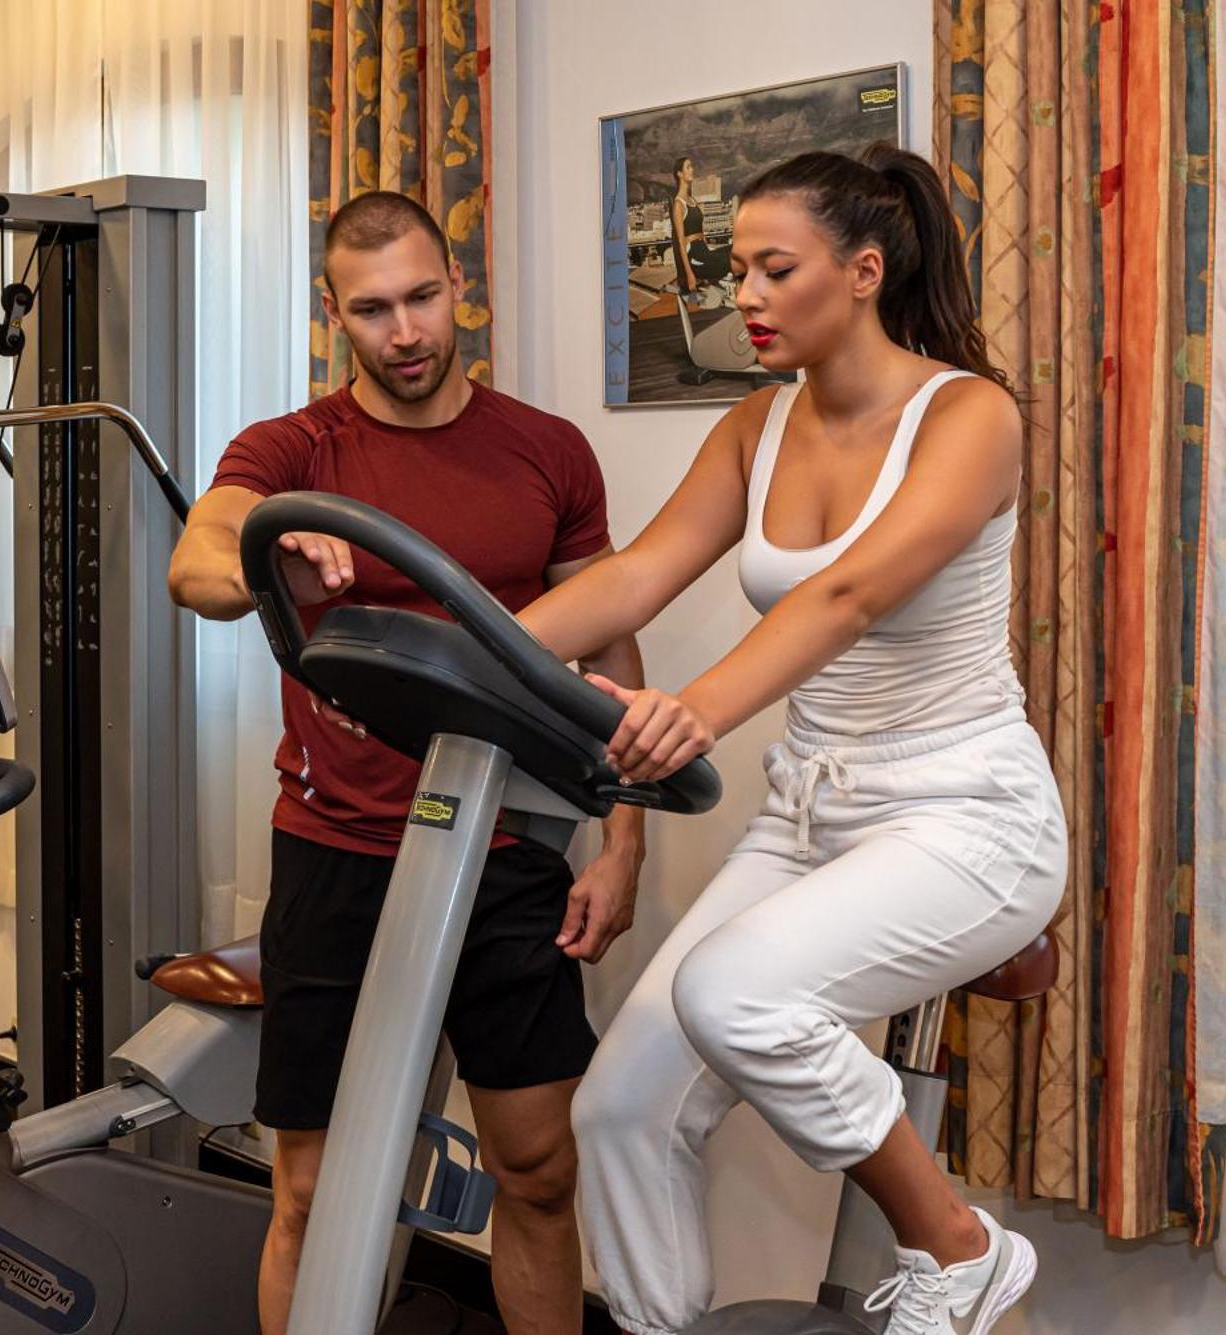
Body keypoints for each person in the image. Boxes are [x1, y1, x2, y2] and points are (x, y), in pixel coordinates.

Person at [516, 143, 1067, 1335]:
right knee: (619, 1108)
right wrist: (473, 651)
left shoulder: (965, 415)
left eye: (773, 270)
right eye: (733, 272)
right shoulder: (753, 426)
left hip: (964, 815)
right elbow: (633, 578)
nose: (742, 300)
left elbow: (847, 596)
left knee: (735, 996)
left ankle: (960, 1253)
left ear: (863, 272)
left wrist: (695, 709)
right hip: (809, 815)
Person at [165, 190, 646, 1335]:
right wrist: (269, 542)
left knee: (536, 1173)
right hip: (337, 851)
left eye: (423, 297)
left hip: (509, 850)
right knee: (316, 1191)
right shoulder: (293, 449)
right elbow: (197, 566)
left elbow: (611, 643)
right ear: (336, 315)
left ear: (456, 284)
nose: (407, 332)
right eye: (373, 309)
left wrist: (623, 840)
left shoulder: (545, 449)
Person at [669, 155, 730, 301]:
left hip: (703, 251)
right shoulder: (679, 204)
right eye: (688, 167)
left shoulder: (693, 200)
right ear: (679, 174)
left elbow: (700, 232)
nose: (692, 169)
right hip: (694, 257)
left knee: (736, 248)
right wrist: (689, 274)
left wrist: (708, 246)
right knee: (730, 259)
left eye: (692, 166)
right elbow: (681, 244)